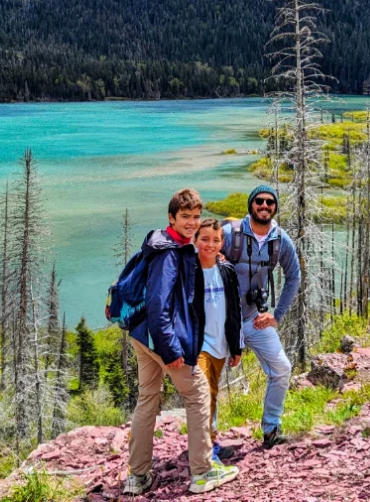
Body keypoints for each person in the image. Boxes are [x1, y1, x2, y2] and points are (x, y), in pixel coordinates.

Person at [122, 189, 240, 496]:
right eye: (185, 217)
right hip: (160, 338)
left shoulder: (165, 243)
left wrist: (212, 257)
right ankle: (202, 472)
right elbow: (160, 304)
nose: (191, 223)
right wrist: (171, 349)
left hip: (141, 335)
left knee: (148, 397)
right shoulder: (170, 254)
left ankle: (137, 476)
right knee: (198, 393)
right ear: (171, 218)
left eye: (196, 217)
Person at [222, 184, 301, 449]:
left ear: (275, 207)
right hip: (222, 322)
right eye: (259, 201)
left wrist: (276, 315)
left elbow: (294, 277)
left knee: (281, 369)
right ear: (250, 204)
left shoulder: (280, 240)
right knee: (208, 378)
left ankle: (271, 430)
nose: (264, 206)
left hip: (255, 318)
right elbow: (199, 262)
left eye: (270, 202)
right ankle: (206, 444)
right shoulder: (228, 234)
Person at [192, 218, 243, 464]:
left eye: (215, 240)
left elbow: (234, 311)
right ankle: (204, 453)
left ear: (222, 243)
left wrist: (236, 346)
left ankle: (210, 441)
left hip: (221, 345)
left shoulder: (226, 270)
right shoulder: (189, 271)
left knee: (212, 394)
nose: (210, 244)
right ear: (195, 241)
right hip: (198, 345)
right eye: (204, 239)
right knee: (203, 394)